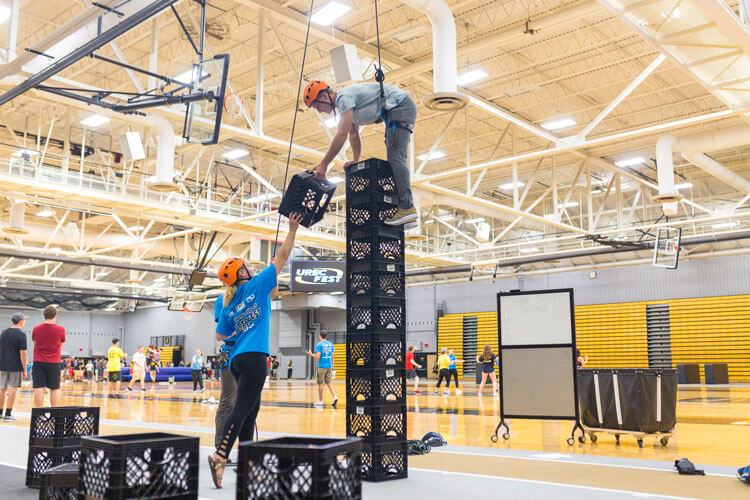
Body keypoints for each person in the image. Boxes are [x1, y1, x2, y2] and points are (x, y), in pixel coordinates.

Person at [208, 212, 303, 487]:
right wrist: (292, 229)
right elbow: (282, 257)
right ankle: (221, 456)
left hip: (236, 360)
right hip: (255, 359)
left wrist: (241, 326)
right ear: (242, 273)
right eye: (246, 264)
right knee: (241, 409)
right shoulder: (257, 285)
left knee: (251, 410)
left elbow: (220, 333)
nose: (250, 265)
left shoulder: (228, 302)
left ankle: (249, 464)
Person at [303, 80, 418, 228]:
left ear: (325, 96)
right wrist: (356, 159)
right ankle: (409, 216)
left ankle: (407, 207)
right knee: (395, 157)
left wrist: (324, 164)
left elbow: (341, 135)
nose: (319, 111)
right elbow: (353, 134)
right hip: (396, 111)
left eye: (317, 105)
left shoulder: (343, 98)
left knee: (396, 157)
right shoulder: (345, 106)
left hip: (400, 107)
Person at [32, 305, 66, 407]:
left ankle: (38, 414)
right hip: (54, 362)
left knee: (39, 387)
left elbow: (35, 342)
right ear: (55, 316)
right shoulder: (60, 329)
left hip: (38, 361)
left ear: (44, 315)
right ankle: (54, 413)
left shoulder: (36, 329)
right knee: (55, 388)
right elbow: (61, 343)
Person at [0, 312, 28, 420]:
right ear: (21, 321)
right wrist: (25, 369)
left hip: (3, 365)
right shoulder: (21, 334)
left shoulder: (4, 333)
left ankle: (0, 412)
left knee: (2, 389)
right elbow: (23, 353)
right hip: (16, 366)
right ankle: (8, 414)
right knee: (12, 389)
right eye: (24, 320)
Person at [306, 331, 338, 408]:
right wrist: (333, 367)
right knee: (329, 383)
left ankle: (320, 401)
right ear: (326, 336)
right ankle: (335, 396)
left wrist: (311, 354)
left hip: (321, 366)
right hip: (329, 366)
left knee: (320, 383)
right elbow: (333, 356)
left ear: (320, 336)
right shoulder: (330, 344)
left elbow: (317, 356)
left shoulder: (319, 345)